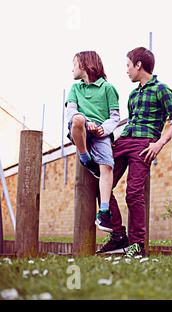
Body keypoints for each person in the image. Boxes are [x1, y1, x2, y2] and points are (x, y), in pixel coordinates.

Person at [96, 47, 172, 257]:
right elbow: (130, 123)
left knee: (133, 193)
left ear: (138, 65)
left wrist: (158, 144)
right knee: (100, 182)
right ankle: (118, 235)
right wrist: (111, 140)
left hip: (144, 145)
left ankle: (137, 245)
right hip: (124, 141)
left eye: (128, 65)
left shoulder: (162, 89)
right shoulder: (133, 94)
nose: (126, 70)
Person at [66, 51, 120, 233]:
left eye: (74, 64)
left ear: (84, 64)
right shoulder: (75, 89)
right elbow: (71, 112)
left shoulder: (108, 88)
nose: (72, 68)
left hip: (101, 132)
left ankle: (104, 212)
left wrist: (103, 128)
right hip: (81, 128)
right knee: (78, 119)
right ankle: (84, 156)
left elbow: (115, 117)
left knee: (107, 166)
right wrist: (86, 122)